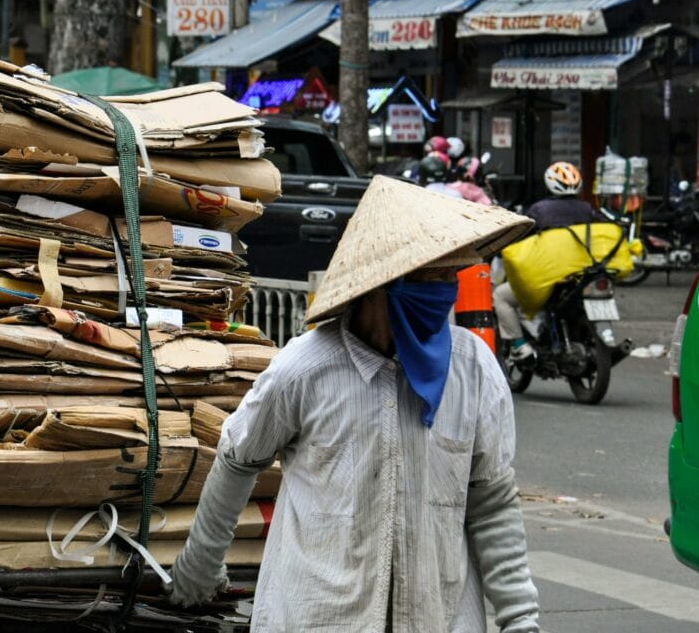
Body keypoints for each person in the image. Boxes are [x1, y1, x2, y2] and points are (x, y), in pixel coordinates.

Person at [168, 176, 540, 632]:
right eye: (433, 278)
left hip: (437, 617)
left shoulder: (473, 369)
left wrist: (520, 618)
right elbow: (238, 458)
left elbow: (492, 503)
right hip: (319, 615)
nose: (446, 292)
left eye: (451, 277)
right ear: (384, 285)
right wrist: (200, 565)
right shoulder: (305, 369)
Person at [493, 162, 598, 360]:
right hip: (580, 277)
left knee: (499, 296)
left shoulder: (540, 210)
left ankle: (519, 345)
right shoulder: (587, 210)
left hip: (548, 279)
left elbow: (519, 237)